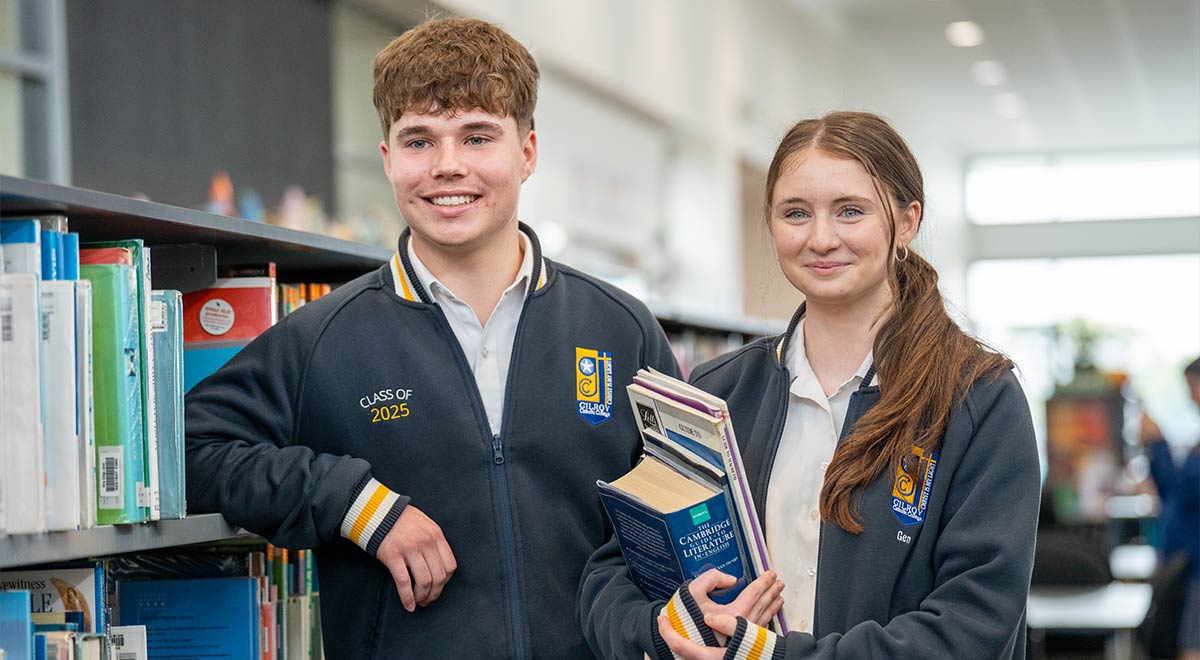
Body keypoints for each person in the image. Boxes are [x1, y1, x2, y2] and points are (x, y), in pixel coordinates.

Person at [186, 16, 679, 659]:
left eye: (477, 138)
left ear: (526, 153)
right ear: (388, 159)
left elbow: (688, 501)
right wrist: (356, 505)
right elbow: (194, 450)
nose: (448, 167)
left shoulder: (621, 327)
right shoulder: (323, 338)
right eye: (419, 141)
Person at [579, 111, 1041, 659]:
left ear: (907, 221)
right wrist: (666, 626)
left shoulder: (977, 398)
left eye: (850, 211)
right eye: (796, 213)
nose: (821, 239)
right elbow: (615, 572)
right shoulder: (718, 391)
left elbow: (974, 625)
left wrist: (770, 656)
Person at [1139, 357, 1200, 660]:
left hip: (1196, 564)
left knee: (1190, 646)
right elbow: (1171, 493)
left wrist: (1159, 444)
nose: (1191, 396)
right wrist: (1153, 447)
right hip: (1183, 560)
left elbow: (1188, 491)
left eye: (1193, 386)